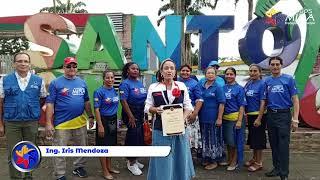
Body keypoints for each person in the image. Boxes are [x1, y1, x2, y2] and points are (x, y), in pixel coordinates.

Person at [45, 57, 95, 180]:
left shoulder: (82, 82)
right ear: (64, 68)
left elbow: (86, 101)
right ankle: (60, 174)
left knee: (82, 147)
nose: (72, 68)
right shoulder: (55, 83)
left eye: (74, 66)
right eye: (69, 66)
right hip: (62, 123)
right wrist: (48, 123)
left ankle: (79, 167)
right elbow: (50, 103)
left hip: (80, 122)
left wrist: (91, 116)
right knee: (59, 150)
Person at [145, 59, 195, 180]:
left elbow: (188, 107)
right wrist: (155, 110)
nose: (169, 70)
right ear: (161, 72)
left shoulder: (181, 86)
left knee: (180, 156)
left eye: (172, 68)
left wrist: (182, 119)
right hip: (160, 129)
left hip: (179, 129)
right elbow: (147, 107)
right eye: (166, 68)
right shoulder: (154, 87)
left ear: (175, 72)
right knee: (163, 157)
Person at [0, 52, 47, 179]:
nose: (23, 63)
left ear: (29, 63)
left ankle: (28, 176)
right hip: (12, 122)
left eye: (26, 61)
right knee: (13, 153)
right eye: (20, 61)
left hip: (31, 122)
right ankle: (15, 178)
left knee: (30, 151)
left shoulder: (38, 80)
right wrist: (1, 124)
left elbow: (43, 99)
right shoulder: (5, 80)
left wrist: (33, 109)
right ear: (14, 63)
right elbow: (1, 102)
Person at [264, 57, 299, 180]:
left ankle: (284, 174)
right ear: (269, 66)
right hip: (271, 115)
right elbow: (264, 100)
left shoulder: (288, 79)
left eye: (277, 64)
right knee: (274, 144)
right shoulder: (267, 81)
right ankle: (276, 168)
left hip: (284, 115)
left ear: (281, 65)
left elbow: (295, 100)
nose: (275, 66)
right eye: (272, 64)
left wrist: (295, 119)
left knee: (283, 145)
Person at [119, 62, 147, 176]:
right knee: (133, 137)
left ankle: (134, 159)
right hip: (130, 112)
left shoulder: (140, 83)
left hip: (140, 111)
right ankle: (131, 163)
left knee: (139, 136)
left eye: (137, 69)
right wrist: (130, 116)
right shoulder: (125, 84)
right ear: (127, 71)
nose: (135, 70)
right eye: (133, 68)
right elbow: (123, 101)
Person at [197, 66, 226, 170]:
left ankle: (214, 161)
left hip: (213, 118)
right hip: (203, 118)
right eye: (208, 73)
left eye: (212, 73)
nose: (210, 75)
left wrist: (219, 118)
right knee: (206, 139)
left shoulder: (218, 87)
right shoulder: (202, 86)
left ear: (215, 75)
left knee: (214, 139)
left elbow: (222, 104)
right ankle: (207, 158)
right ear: (205, 75)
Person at [93, 70, 120, 180]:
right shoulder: (98, 92)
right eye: (107, 78)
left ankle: (109, 167)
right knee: (103, 147)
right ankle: (104, 171)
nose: (110, 80)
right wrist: (100, 125)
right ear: (103, 79)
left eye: (112, 78)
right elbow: (97, 109)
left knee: (111, 145)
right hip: (103, 120)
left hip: (113, 120)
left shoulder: (114, 90)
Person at [222, 67, 246, 171]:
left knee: (235, 142)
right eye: (227, 74)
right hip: (225, 119)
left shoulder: (239, 88)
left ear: (235, 76)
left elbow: (242, 106)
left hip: (235, 119)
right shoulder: (222, 88)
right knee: (228, 141)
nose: (229, 76)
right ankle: (229, 159)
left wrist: (239, 121)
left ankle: (234, 161)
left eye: (231, 74)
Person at [244, 64, 267, 172]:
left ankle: (259, 162)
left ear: (260, 72)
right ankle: (254, 158)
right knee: (253, 139)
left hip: (259, 115)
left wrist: (259, 118)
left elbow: (263, 102)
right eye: (251, 71)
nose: (252, 73)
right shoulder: (249, 83)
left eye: (255, 71)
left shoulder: (262, 84)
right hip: (250, 115)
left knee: (258, 140)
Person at [178, 64, 202, 152]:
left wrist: (194, 114)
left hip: (190, 113)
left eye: (187, 71)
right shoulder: (176, 81)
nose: (185, 72)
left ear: (190, 72)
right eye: (183, 70)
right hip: (177, 113)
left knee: (190, 137)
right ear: (179, 71)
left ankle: (189, 160)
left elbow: (199, 100)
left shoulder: (194, 83)